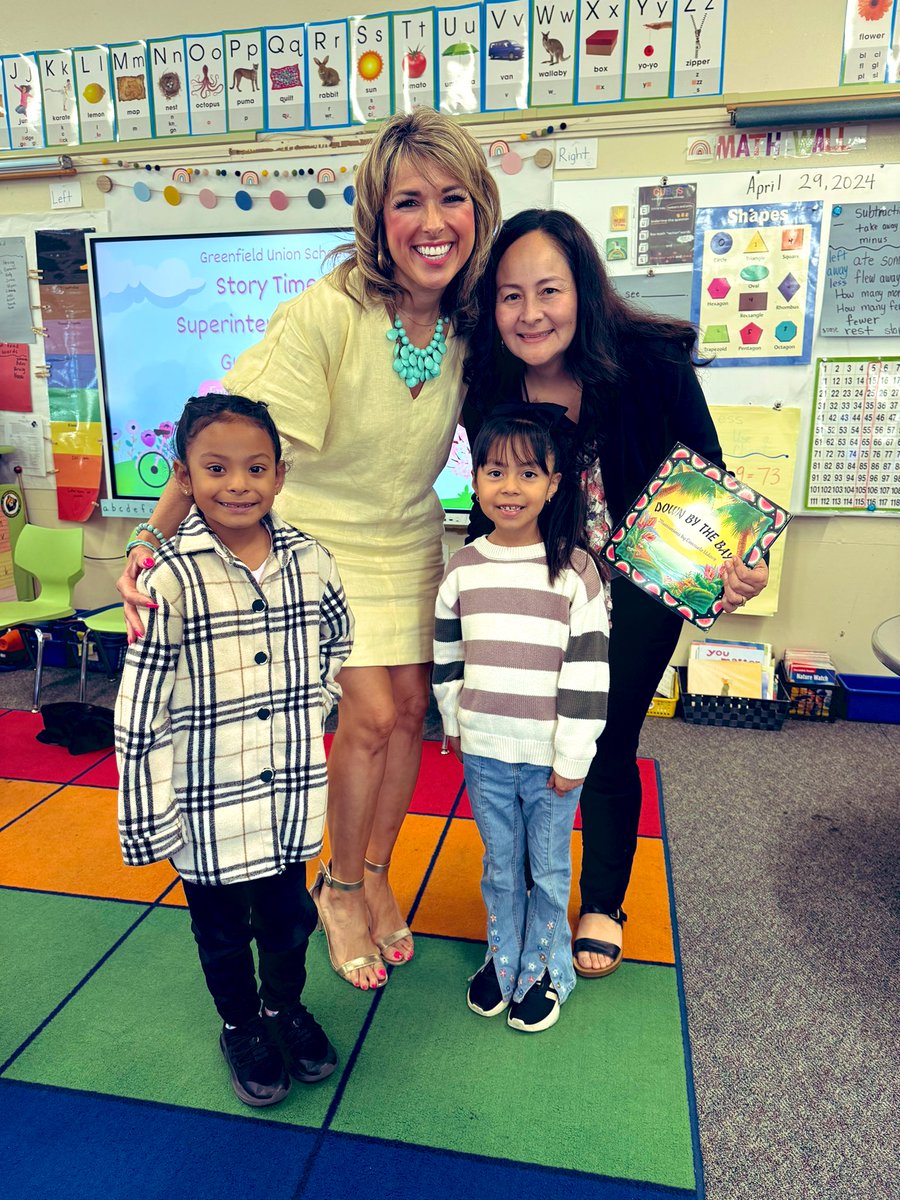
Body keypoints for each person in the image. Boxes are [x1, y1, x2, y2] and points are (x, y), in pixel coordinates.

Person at [116, 109, 502, 991]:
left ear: (478, 209)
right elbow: (223, 435)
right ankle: (333, 886)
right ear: (376, 216)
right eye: (409, 201)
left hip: (409, 534)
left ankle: (374, 871)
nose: (432, 223)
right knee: (366, 716)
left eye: (452, 198)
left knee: (412, 712)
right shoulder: (326, 313)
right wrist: (151, 536)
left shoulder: (467, 324)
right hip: (318, 543)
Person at [463, 210, 769, 979]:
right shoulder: (489, 378)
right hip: (533, 583)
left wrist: (740, 564)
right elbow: (490, 489)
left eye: (548, 290)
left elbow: (713, 489)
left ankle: (602, 899)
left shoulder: (651, 362)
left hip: (636, 589)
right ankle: (530, 886)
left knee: (603, 738)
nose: (529, 313)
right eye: (509, 296)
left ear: (583, 291)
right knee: (527, 742)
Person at [115, 394, 353, 1108]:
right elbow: (140, 706)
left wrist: (314, 701)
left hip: (284, 802)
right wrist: (147, 817)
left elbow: (338, 639)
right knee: (220, 935)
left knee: (289, 923)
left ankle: (284, 1008)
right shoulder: (171, 579)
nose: (238, 483)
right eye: (216, 468)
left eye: (255, 467)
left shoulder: (312, 560)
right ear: (185, 477)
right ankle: (241, 1024)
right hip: (207, 808)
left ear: (280, 475)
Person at [433, 408, 609, 1032]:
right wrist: (453, 721)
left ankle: (547, 968)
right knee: (500, 865)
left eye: (528, 473)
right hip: (484, 751)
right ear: (475, 480)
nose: (510, 487)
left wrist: (572, 756)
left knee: (551, 868)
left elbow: (589, 672)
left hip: (551, 758)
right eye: (495, 471)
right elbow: (448, 655)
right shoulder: (462, 567)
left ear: (554, 483)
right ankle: (501, 958)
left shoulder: (574, 571)